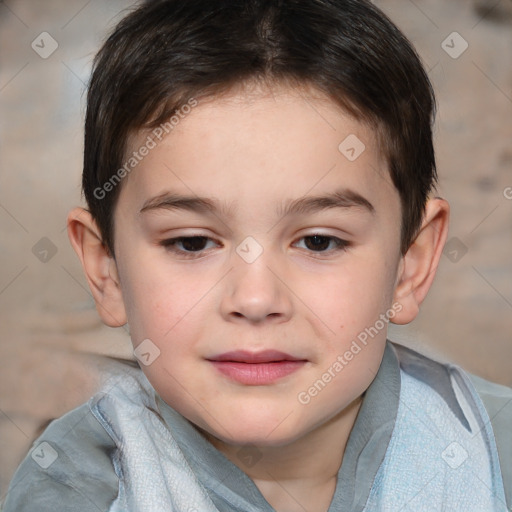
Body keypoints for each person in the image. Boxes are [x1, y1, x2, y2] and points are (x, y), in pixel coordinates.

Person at [3, 0, 511, 510]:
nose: (255, 298)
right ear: (105, 268)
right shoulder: (75, 488)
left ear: (411, 263)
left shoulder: (493, 453)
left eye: (318, 241)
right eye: (192, 242)